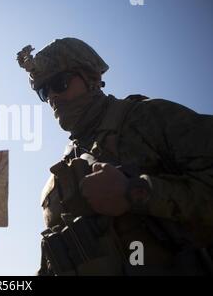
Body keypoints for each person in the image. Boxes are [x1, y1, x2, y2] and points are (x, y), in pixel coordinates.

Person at [17, 37, 213, 275]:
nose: (52, 97)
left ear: (92, 78)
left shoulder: (150, 118)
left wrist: (137, 192)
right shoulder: (58, 178)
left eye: (60, 83)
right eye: (44, 91)